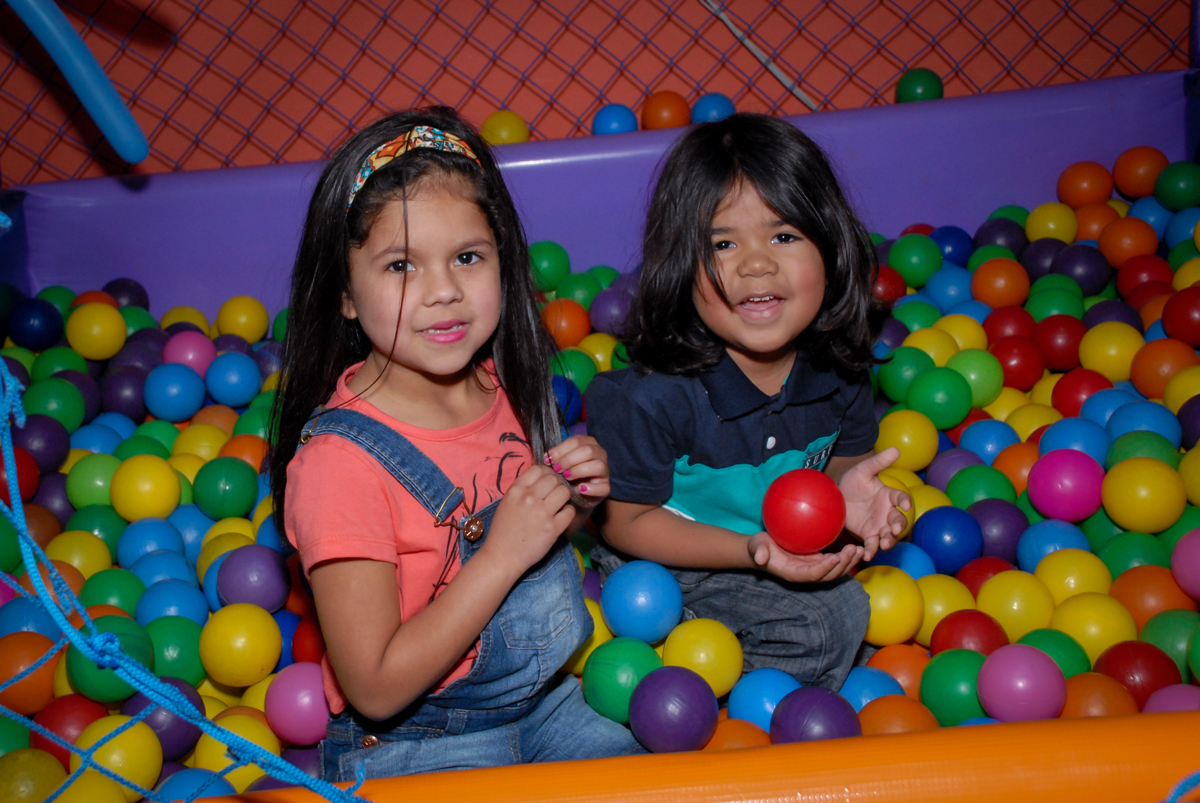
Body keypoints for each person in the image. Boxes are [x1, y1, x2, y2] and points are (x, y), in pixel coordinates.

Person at [270, 107, 642, 781]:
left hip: (543, 704)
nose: (443, 291)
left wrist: (570, 501)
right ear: (347, 295)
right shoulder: (339, 465)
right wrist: (501, 555)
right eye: (401, 265)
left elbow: (522, 533)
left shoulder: (499, 383)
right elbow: (375, 686)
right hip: (420, 739)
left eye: (468, 257)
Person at [587, 113, 911, 691]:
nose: (755, 263)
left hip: (770, 552)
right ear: (681, 268)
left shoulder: (841, 368)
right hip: (667, 557)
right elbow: (626, 522)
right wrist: (754, 550)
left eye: (783, 236)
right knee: (831, 620)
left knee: (843, 611)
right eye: (723, 243)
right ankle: (681, 660)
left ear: (831, 250)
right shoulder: (650, 398)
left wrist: (849, 503)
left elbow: (838, 472)